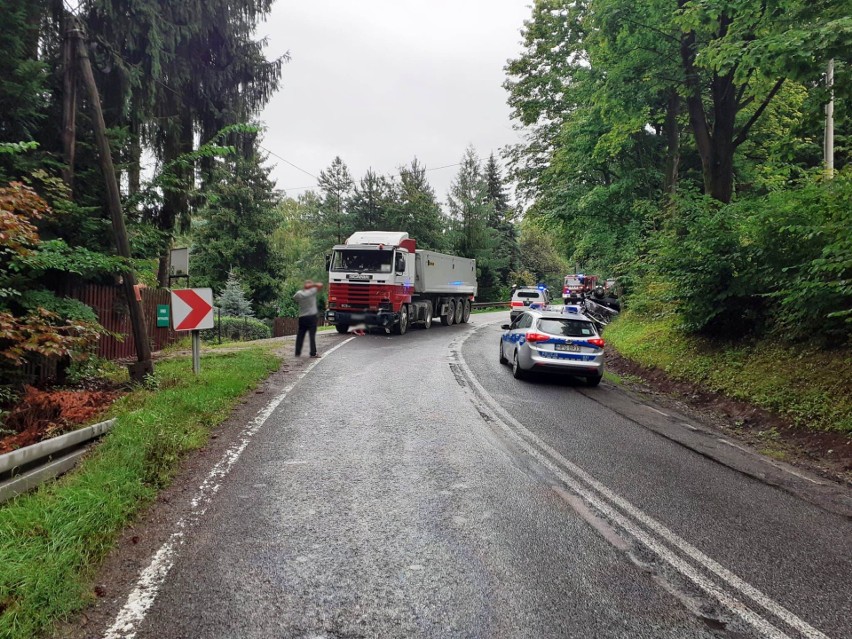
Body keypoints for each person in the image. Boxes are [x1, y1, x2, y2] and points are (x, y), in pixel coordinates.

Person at [293, 279, 323, 358]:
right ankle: (313, 353)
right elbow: (320, 285)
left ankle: (297, 352)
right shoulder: (312, 292)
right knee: (312, 335)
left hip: (302, 317)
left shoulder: (299, 294)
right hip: (311, 317)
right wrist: (313, 285)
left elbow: (294, 298)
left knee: (300, 335)